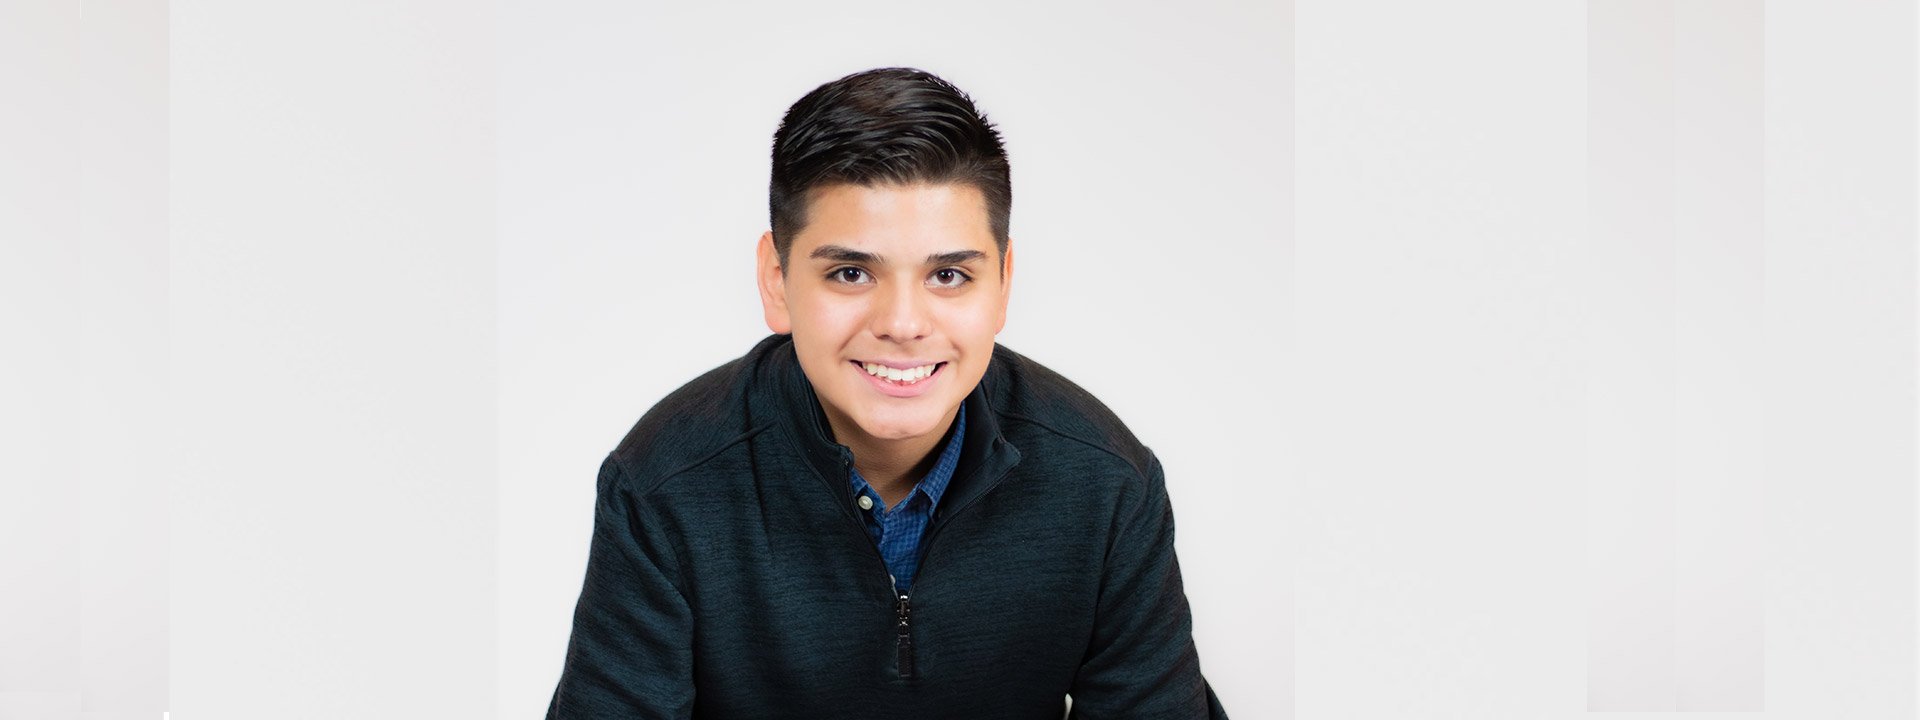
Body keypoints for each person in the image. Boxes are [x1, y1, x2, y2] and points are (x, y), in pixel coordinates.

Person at [546, 67, 1227, 719]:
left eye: (949, 276)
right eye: (850, 273)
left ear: (1003, 284)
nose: (902, 324)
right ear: (777, 281)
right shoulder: (662, 484)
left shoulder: (1107, 483)